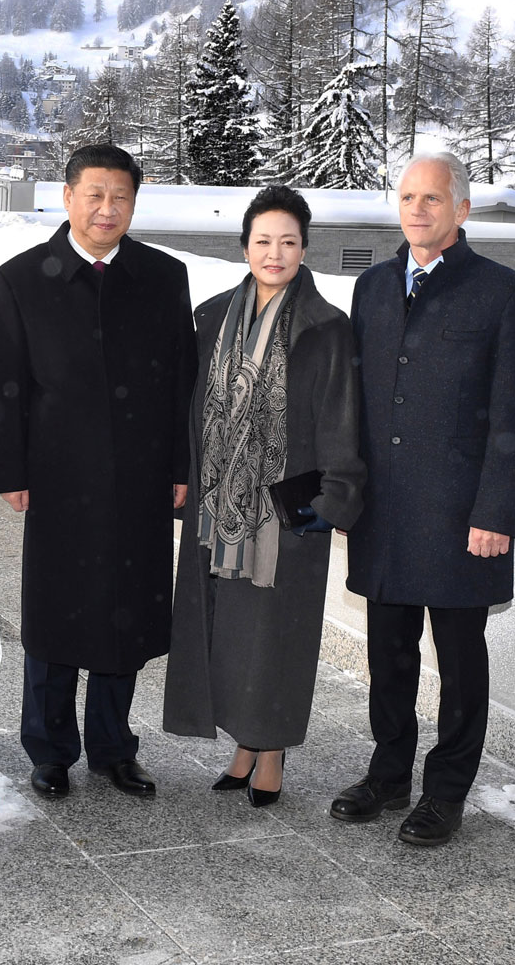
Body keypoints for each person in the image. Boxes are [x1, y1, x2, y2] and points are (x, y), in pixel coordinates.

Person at [331, 152, 515, 846]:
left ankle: (446, 792)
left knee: (459, 661)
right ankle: (389, 774)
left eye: (432, 198)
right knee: (388, 654)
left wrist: (495, 513)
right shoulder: (372, 287)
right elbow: (356, 402)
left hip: (459, 517)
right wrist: (346, 494)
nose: (418, 209)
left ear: (462, 209)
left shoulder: (501, 291)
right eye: (408, 197)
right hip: (385, 513)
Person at [0, 143, 196, 799]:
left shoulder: (163, 276)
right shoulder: (22, 278)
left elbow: (183, 381)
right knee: (55, 618)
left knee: (123, 616)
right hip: (58, 477)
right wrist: (10, 471)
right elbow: (6, 384)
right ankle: (49, 750)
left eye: (121, 197)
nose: (107, 209)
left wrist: (181, 466)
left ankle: (113, 748)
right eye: (95, 195)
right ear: (68, 197)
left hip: (140, 476)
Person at [163, 186, 366, 806]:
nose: (274, 253)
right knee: (229, 631)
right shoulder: (212, 317)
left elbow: (341, 416)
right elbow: (189, 408)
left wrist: (334, 499)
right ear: (244, 246)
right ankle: (244, 745)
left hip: (286, 507)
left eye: (288, 242)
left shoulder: (326, 328)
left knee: (277, 634)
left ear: (305, 248)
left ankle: (271, 749)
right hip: (219, 504)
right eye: (263, 241)